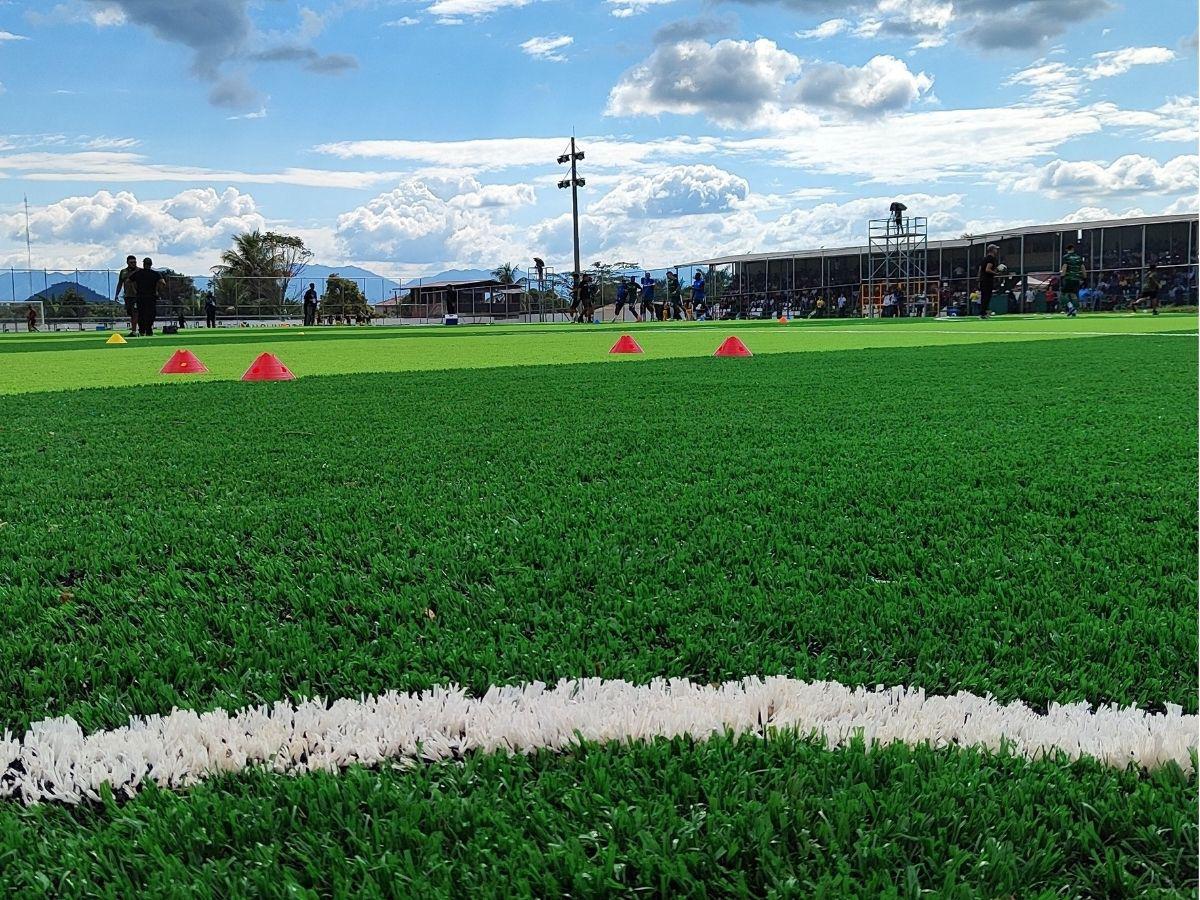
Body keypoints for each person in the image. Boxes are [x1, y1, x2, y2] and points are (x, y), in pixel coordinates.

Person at [130, 256, 165, 336]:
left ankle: (142, 331)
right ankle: (149, 330)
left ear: (143, 264)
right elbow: (163, 283)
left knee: (141, 314)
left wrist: (135, 290)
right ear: (151, 264)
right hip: (151, 297)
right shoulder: (155, 274)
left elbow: (129, 281)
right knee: (151, 314)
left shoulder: (138, 273)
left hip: (140, 296)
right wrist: (157, 290)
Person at [114, 254, 139, 336]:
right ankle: (134, 329)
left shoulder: (139, 271)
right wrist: (116, 294)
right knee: (131, 313)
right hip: (128, 296)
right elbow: (120, 283)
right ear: (127, 263)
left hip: (137, 295)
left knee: (135, 312)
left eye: (135, 262)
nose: (133, 264)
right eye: (131, 262)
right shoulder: (123, 272)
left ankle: (135, 330)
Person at [1059, 242, 1086, 312]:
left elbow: (1064, 267)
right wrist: (1085, 278)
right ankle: (1075, 310)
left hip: (1068, 278)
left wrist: (1062, 277)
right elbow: (1083, 268)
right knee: (1074, 295)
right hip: (1077, 279)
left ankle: (1070, 307)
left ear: (1067, 249)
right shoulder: (1078, 257)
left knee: (1062, 294)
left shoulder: (1066, 257)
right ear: (1073, 249)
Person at [978, 244, 999, 319]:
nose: (997, 251)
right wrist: (996, 273)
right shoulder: (991, 258)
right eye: (995, 249)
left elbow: (980, 269)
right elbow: (987, 269)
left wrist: (979, 279)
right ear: (993, 250)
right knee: (986, 297)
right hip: (987, 280)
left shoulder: (985, 258)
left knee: (984, 296)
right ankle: (983, 313)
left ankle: (983, 312)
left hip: (983, 280)